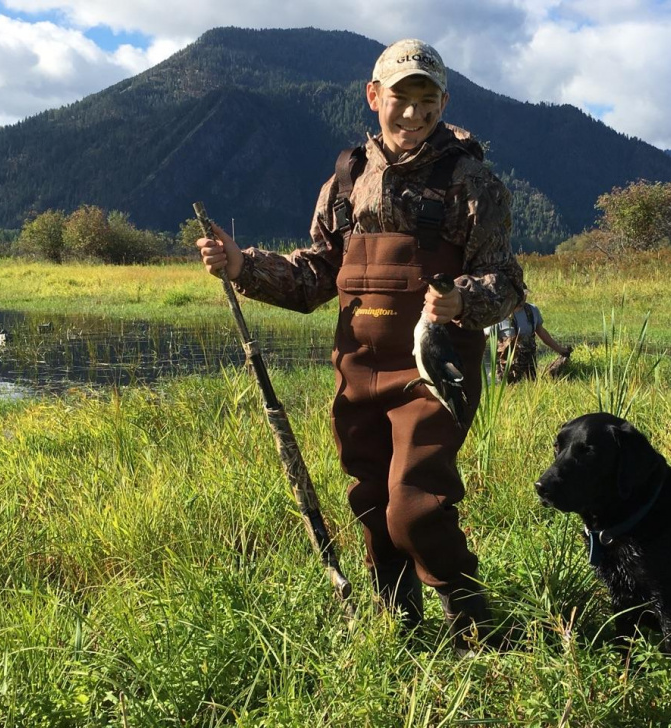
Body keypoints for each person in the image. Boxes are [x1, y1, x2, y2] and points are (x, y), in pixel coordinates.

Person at [197, 38, 523, 654]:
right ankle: (400, 629)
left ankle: (477, 632)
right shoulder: (345, 182)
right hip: (358, 373)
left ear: (444, 102)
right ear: (375, 96)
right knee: (371, 503)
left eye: (428, 99)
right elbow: (315, 277)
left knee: (414, 507)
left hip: (434, 375)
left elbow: (506, 283)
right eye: (402, 96)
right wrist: (241, 265)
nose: (415, 112)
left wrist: (461, 300)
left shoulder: (472, 183)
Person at [486, 289, 571, 383]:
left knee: (531, 386)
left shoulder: (532, 310)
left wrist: (560, 350)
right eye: (519, 295)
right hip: (507, 368)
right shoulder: (499, 314)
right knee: (510, 388)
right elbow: (483, 338)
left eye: (524, 294)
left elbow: (541, 332)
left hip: (530, 365)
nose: (523, 298)